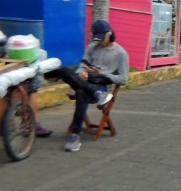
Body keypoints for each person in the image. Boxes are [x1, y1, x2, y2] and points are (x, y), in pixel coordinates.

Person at [54, 19, 128, 153]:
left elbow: (123, 79)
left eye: (102, 38)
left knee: (82, 93)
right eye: (97, 38)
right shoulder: (91, 47)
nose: (100, 41)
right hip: (87, 82)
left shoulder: (121, 53)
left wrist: (103, 74)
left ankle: (75, 135)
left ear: (109, 33)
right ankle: (97, 94)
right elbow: (81, 66)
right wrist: (81, 72)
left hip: (100, 83)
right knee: (62, 70)